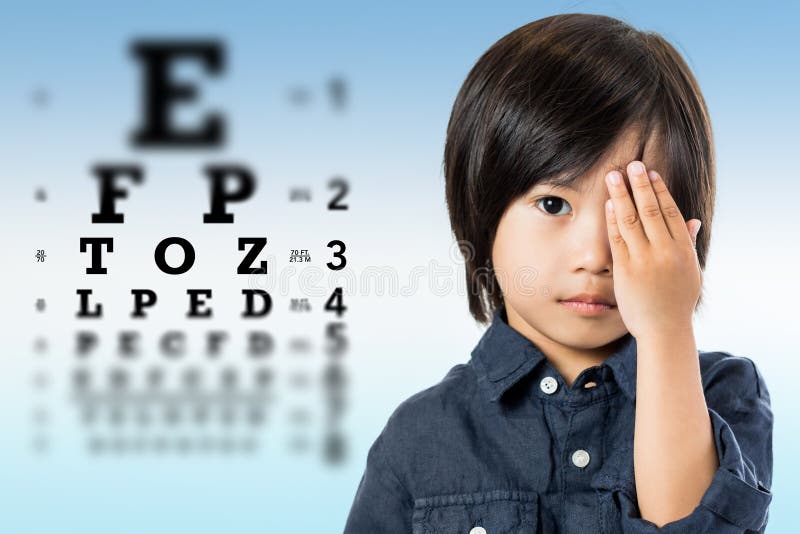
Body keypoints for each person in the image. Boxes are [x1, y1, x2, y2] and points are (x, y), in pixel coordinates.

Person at [343, 13, 773, 533]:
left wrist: (664, 328)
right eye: (552, 204)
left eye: (634, 210)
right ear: (482, 211)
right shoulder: (420, 435)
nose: (595, 255)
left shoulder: (723, 396)